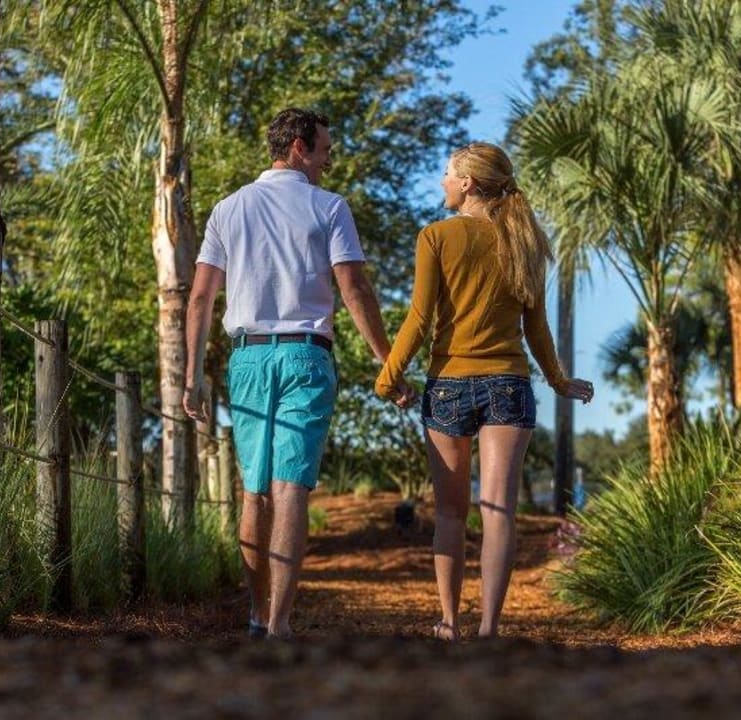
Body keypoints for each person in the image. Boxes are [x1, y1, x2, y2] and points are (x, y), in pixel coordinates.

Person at [185, 107, 405, 641]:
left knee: (254, 493)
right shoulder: (329, 207)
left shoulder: (228, 209)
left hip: (248, 358)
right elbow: (354, 288)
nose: (329, 161)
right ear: (300, 148)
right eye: (324, 150)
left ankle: (258, 615)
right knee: (290, 490)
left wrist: (192, 375)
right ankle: (280, 625)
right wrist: (387, 360)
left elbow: (199, 299)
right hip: (305, 357)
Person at [374, 141, 594, 640]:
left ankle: (449, 622)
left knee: (450, 513)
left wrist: (389, 377)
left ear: (468, 183)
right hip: (509, 386)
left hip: (448, 387)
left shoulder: (436, 236)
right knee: (498, 513)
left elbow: (420, 318)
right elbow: (536, 327)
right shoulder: (524, 242)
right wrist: (558, 380)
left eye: (448, 174)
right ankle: (489, 630)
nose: (443, 182)